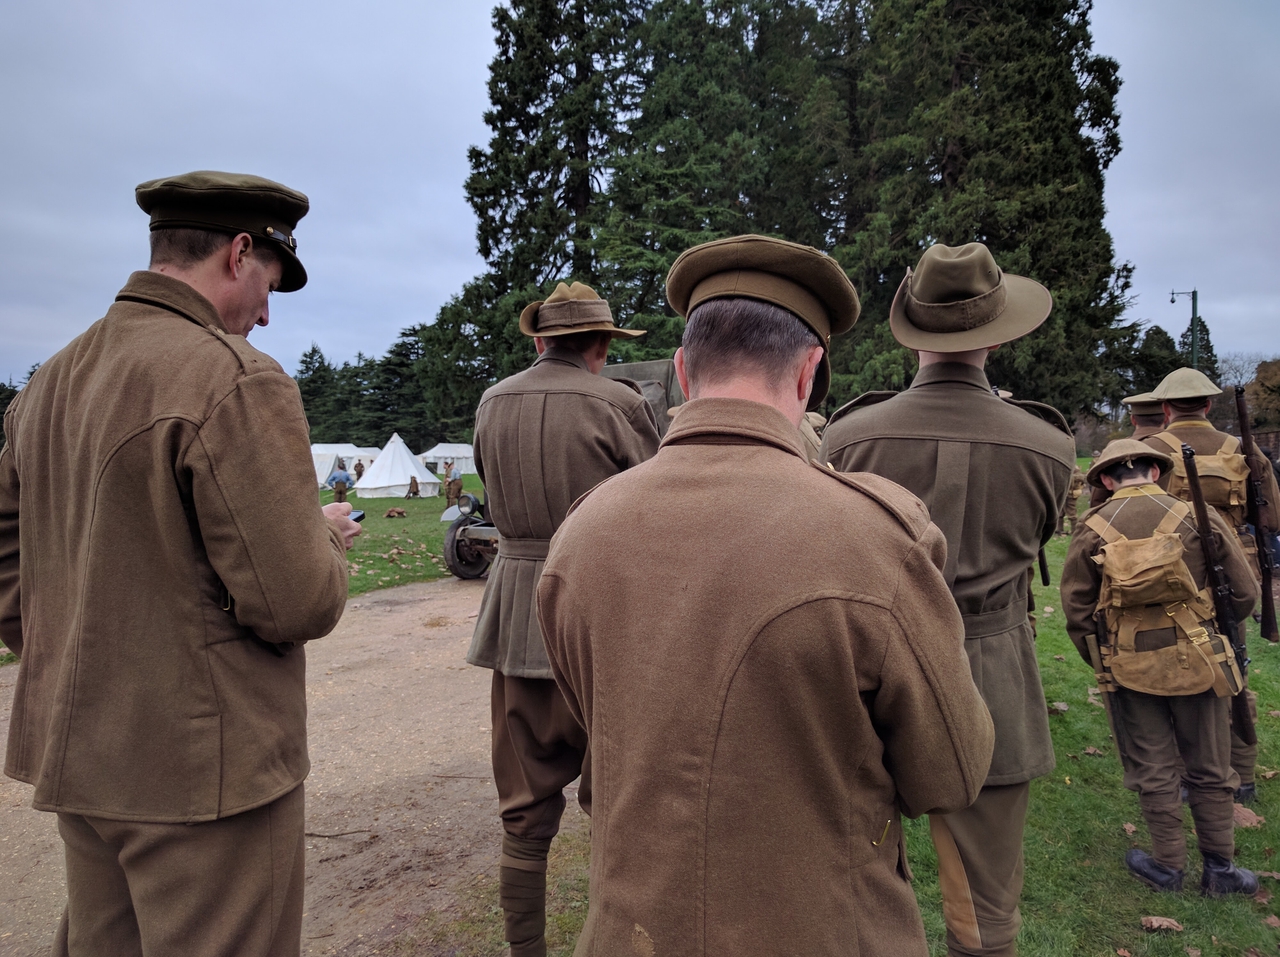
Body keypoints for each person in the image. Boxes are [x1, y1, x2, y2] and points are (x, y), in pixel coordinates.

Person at [538, 235, 995, 956]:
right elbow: (952, 770)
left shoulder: (580, 533)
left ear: (684, 370)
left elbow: (599, 733)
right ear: (811, 372)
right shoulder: (875, 539)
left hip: (630, 932)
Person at [0, 170, 362, 957]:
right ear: (238, 253)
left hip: (89, 763)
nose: (266, 312)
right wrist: (326, 535)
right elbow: (295, 599)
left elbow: (9, 557)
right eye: (268, 283)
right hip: (207, 776)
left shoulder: (48, 383)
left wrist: (71, 654)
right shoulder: (233, 378)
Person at [820, 242, 1074, 957]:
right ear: (997, 332)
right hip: (992, 665)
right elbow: (1046, 533)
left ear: (913, 330)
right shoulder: (1048, 445)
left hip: (867, 665)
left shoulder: (847, 436)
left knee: (847, 859)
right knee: (989, 907)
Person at [465, 281, 659, 957]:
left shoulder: (492, 402)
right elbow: (651, 501)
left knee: (522, 814)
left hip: (517, 615)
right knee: (616, 810)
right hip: (604, 619)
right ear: (602, 345)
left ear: (541, 340)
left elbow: (491, 492)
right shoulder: (622, 404)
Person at [1061, 439, 1258, 895]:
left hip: (1129, 664)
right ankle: (1220, 869)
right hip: (1201, 659)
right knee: (1210, 765)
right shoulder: (1197, 516)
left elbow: (1077, 612)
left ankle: (1168, 865)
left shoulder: (1092, 527)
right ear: (1155, 471)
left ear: (1106, 480)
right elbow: (1244, 594)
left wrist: (1103, 659)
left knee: (1153, 766)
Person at [1143, 367, 1280, 802]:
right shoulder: (1243, 449)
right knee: (1234, 665)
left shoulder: (1150, 450)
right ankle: (1242, 772)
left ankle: (1187, 773)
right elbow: (1272, 519)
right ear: (1207, 405)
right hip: (1234, 576)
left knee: (1177, 666)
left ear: (1164, 408)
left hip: (1172, 576)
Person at [1088, 392, 1166, 508]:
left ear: (1133, 419)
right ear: (1166, 418)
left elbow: (1097, 501)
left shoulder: (1117, 450)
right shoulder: (1182, 447)